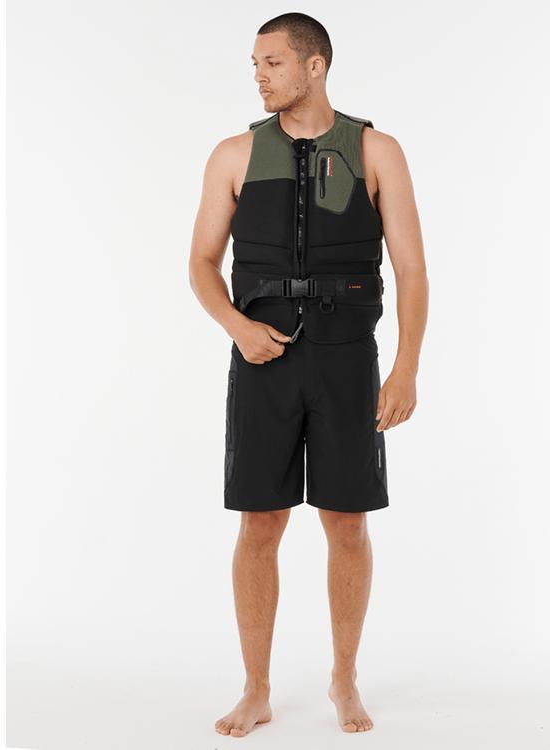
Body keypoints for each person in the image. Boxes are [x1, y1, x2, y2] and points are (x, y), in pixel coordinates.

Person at [188, 12, 428, 737]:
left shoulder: (377, 150)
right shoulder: (233, 154)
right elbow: (201, 264)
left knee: (346, 522)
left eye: (272, 63)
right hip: (262, 361)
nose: (259, 76)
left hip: (347, 360)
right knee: (259, 523)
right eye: (255, 65)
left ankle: (343, 679)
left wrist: (406, 368)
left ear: (314, 66)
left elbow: (412, 270)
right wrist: (237, 327)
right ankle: (256, 688)